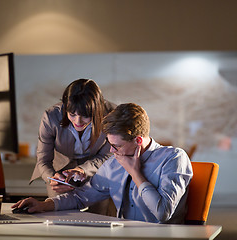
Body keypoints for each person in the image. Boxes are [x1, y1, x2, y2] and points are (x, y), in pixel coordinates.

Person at [16, 103, 193, 224]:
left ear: (138, 140)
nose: (112, 151)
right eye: (110, 145)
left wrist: (135, 173)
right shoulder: (114, 163)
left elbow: (162, 213)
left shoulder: (173, 158)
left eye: (117, 146)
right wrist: (43, 205)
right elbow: (80, 197)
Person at [29, 79, 116, 214]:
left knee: (99, 218)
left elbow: (107, 155)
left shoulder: (112, 114)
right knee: (59, 215)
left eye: (86, 116)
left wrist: (83, 170)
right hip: (60, 171)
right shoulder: (51, 117)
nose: (78, 121)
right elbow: (43, 160)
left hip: (97, 171)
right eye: (72, 114)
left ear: (97, 110)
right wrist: (52, 178)